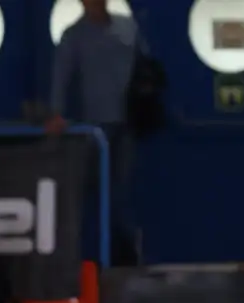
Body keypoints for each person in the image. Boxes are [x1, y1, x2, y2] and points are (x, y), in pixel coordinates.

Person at [47, 0, 145, 265]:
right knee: (94, 191)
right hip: (97, 126)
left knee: (121, 190)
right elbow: (61, 76)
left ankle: (124, 253)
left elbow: (145, 63)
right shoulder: (74, 35)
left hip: (129, 122)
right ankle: (92, 254)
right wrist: (56, 113)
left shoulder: (128, 26)